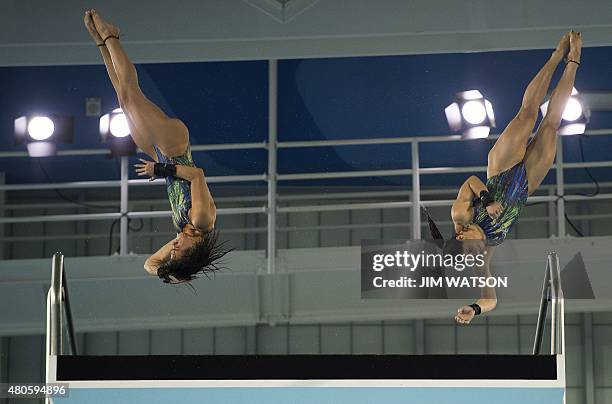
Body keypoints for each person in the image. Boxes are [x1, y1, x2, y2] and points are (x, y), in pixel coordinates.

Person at [426, 31, 582, 324]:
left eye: (472, 245)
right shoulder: (480, 258)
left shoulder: (461, 213)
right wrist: (474, 309)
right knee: (551, 125)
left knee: (528, 113)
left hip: (500, 169)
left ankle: (556, 55)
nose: (479, 247)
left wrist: (485, 200)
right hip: (525, 187)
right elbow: (491, 298)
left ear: (461, 234)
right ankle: (574, 61)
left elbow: (472, 180)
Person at [84, 9, 230, 283]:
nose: (172, 250)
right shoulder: (201, 221)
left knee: (123, 98)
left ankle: (101, 44)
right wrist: (161, 169)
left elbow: (149, 264)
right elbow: (197, 174)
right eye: (178, 254)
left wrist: (168, 271)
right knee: (132, 93)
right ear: (193, 254)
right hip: (175, 146)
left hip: (158, 154)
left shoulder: (183, 230)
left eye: (171, 255)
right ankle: (111, 35)